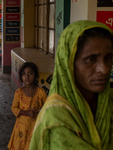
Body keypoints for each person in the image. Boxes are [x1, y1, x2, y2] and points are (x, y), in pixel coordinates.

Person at [29, 20, 113, 150]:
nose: (104, 69)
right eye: (91, 59)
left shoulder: (108, 102)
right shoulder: (56, 120)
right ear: (68, 63)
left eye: (108, 58)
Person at [8, 62, 47, 150]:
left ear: (36, 75)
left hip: (35, 128)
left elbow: (47, 108)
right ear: (21, 77)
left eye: (30, 73)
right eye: (24, 74)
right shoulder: (19, 93)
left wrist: (42, 110)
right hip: (21, 130)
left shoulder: (41, 93)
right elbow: (14, 108)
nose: (27, 76)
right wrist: (26, 112)